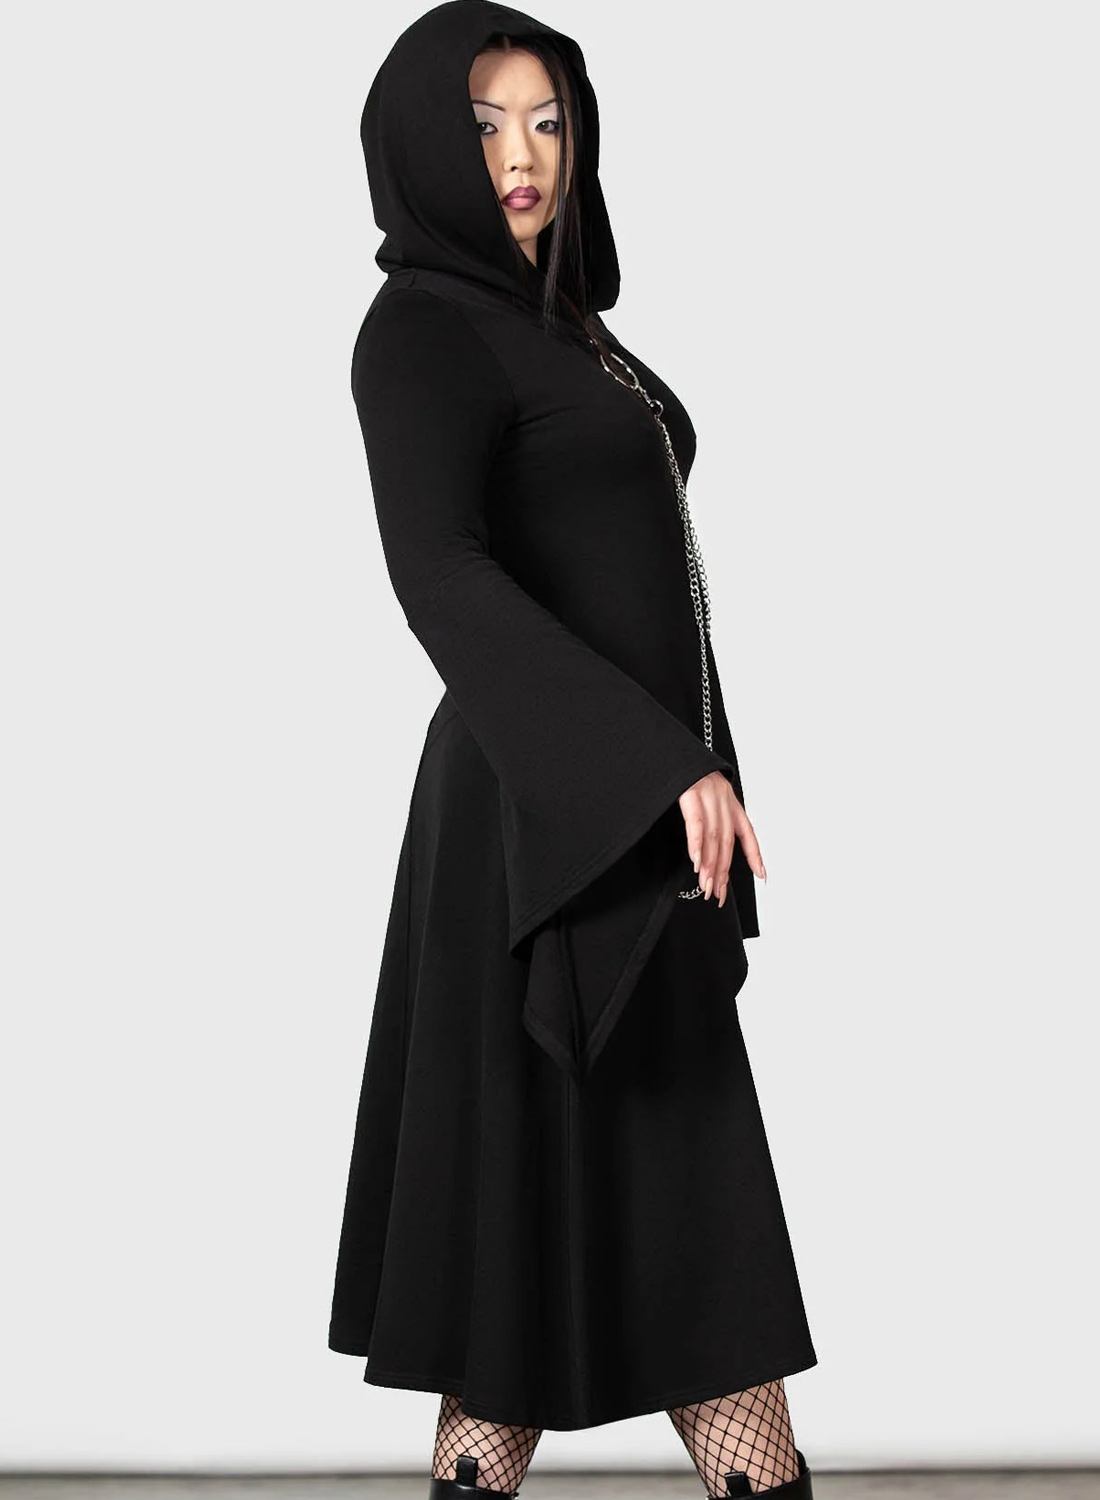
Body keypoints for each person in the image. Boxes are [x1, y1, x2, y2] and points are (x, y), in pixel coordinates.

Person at [328, 4, 819, 1496]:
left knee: (687, 1223)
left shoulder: (568, 334)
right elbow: (440, 574)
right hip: (530, 820)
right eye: (484, 125)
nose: (522, 155)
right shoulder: (421, 330)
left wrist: (693, 769)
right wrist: (655, 764)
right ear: (426, 144)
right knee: (527, 1243)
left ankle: (750, 1471)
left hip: (637, 816)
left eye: (547, 121)